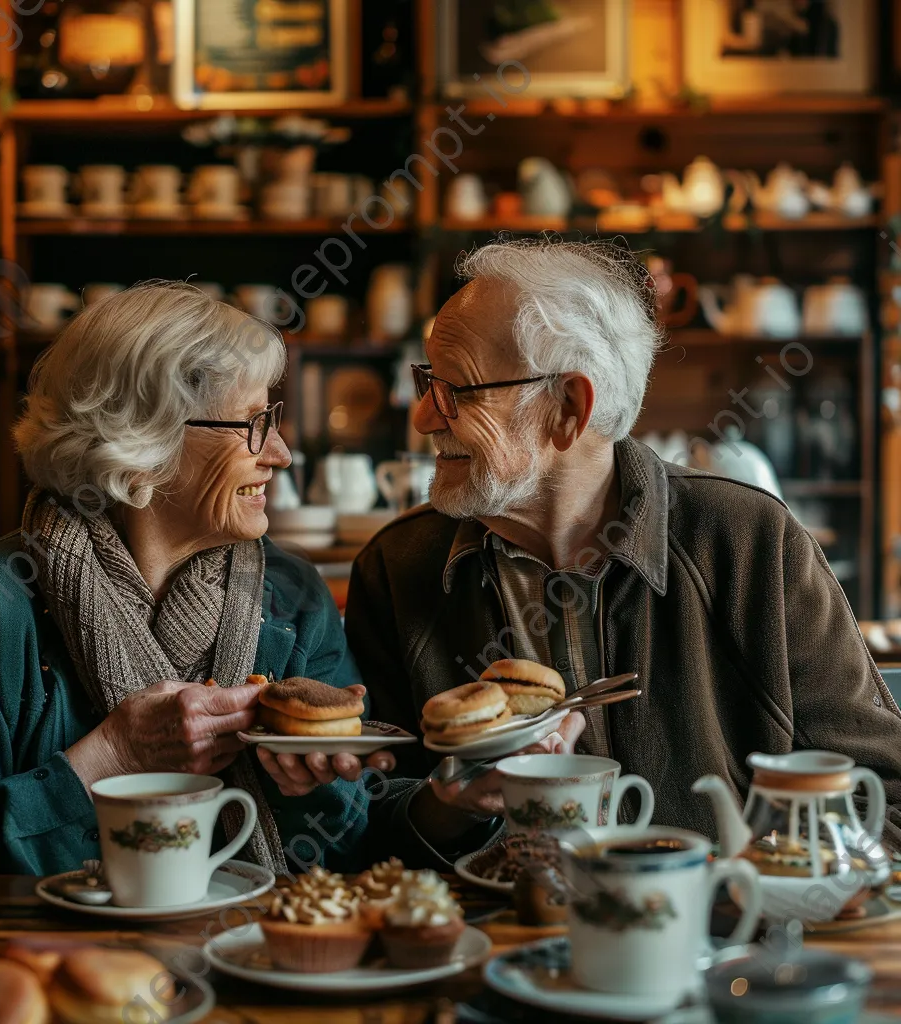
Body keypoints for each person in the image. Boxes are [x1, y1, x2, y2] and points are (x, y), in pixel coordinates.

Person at [341, 239, 901, 867]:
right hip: (485, 947)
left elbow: (885, 795)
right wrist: (452, 806)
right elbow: (358, 826)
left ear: (568, 409)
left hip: (723, 948)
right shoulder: (397, 566)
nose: (421, 417)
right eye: (426, 383)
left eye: (456, 390)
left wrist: (763, 885)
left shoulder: (747, 543)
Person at [0, 282, 392, 928]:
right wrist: (107, 760)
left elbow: (350, 862)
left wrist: (304, 789)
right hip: (46, 974)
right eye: (255, 424)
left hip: (258, 967)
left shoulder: (293, 600)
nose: (281, 455)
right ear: (145, 442)